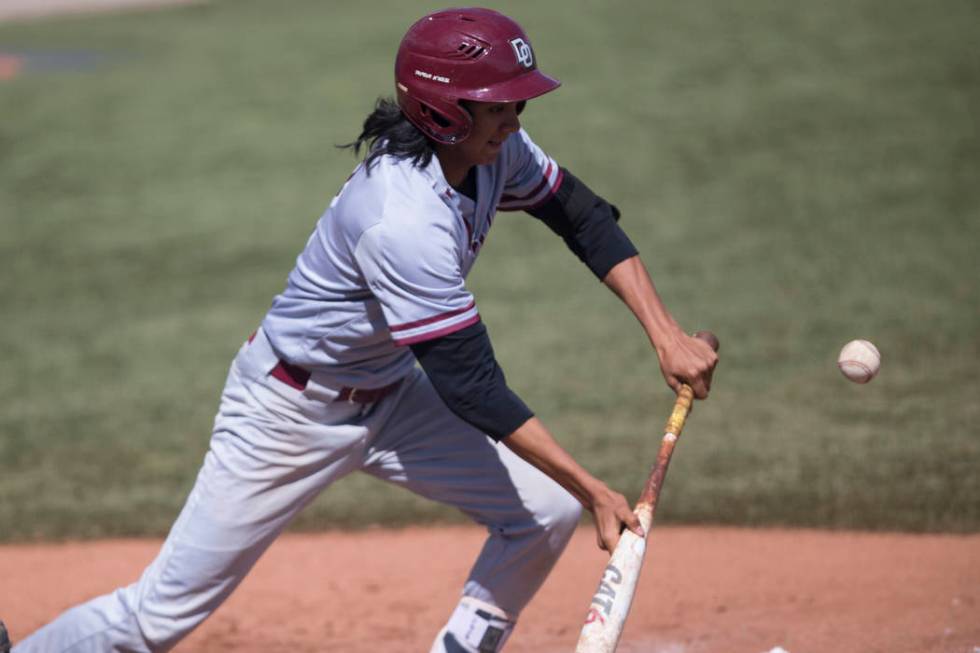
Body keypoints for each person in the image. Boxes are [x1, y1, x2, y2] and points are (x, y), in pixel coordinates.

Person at [13, 7, 717, 653]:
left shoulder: (493, 149)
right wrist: (594, 485)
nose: (515, 116)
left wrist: (666, 334)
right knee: (157, 618)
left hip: (391, 394)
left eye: (518, 101)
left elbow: (582, 215)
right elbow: (472, 384)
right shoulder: (400, 219)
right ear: (445, 110)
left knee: (542, 512)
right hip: (288, 411)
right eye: (499, 104)